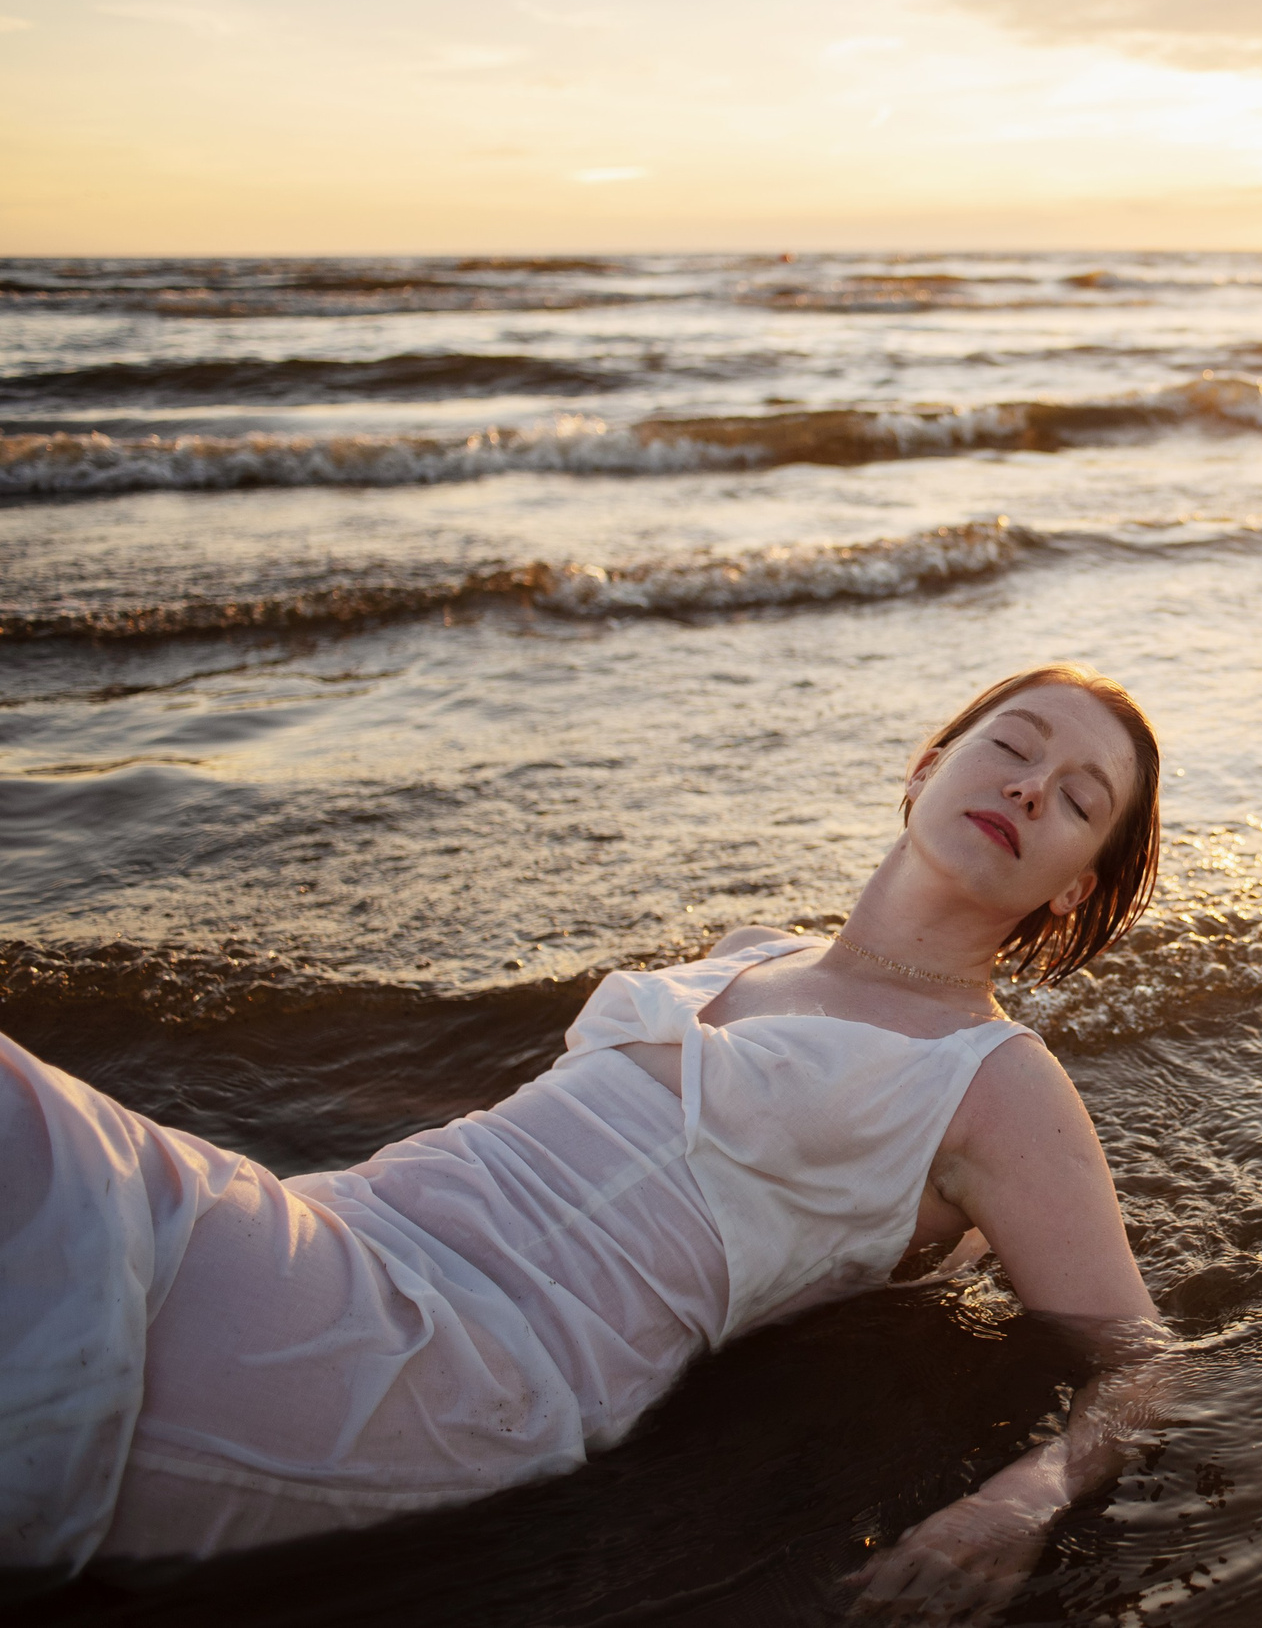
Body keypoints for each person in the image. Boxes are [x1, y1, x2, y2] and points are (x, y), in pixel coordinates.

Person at [0, 662, 1169, 1619]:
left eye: (1077, 800)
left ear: (1073, 889)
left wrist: (1020, 1498)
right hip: (331, 1225)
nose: (1029, 789)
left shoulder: (997, 1079)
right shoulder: (747, 951)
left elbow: (1143, 1363)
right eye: (1012, 746)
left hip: (450, 1364)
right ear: (929, 767)